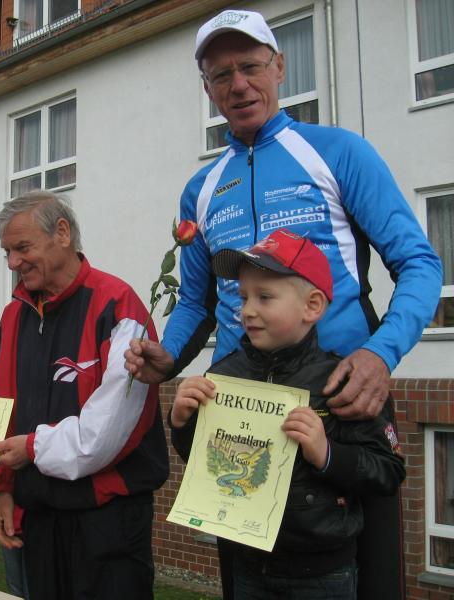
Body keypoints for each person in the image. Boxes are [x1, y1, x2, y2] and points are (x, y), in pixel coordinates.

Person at [124, 8, 442, 599]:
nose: (239, 84)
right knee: (249, 575)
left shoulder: (339, 152)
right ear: (207, 89)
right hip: (241, 404)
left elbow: (419, 263)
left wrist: (380, 354)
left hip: (342, 398)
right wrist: (168, 356)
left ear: (280, 67)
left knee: (361, 580)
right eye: (222, 75)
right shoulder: (202, 188)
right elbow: (194, 300)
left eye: (250, 66)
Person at [170, 229, 405, 599]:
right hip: (248, 566)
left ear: (312, 306)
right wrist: (182, 423)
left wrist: (327, 455)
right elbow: (206, 462)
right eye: (243, 297)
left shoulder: (340, 382)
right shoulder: (223, 377)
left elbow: (387, 472)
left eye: (264, 297)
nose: (248, 310)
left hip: (324, 574)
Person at [0, 191, 170, 600]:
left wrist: (31, 448)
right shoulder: (12, 316)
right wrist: (3, 488)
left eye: (22, 248)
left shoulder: (117, 306)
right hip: (39, 521)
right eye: (7, 252)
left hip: (108, 524)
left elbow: (103, 437)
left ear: (62, 233)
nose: (13, 263)